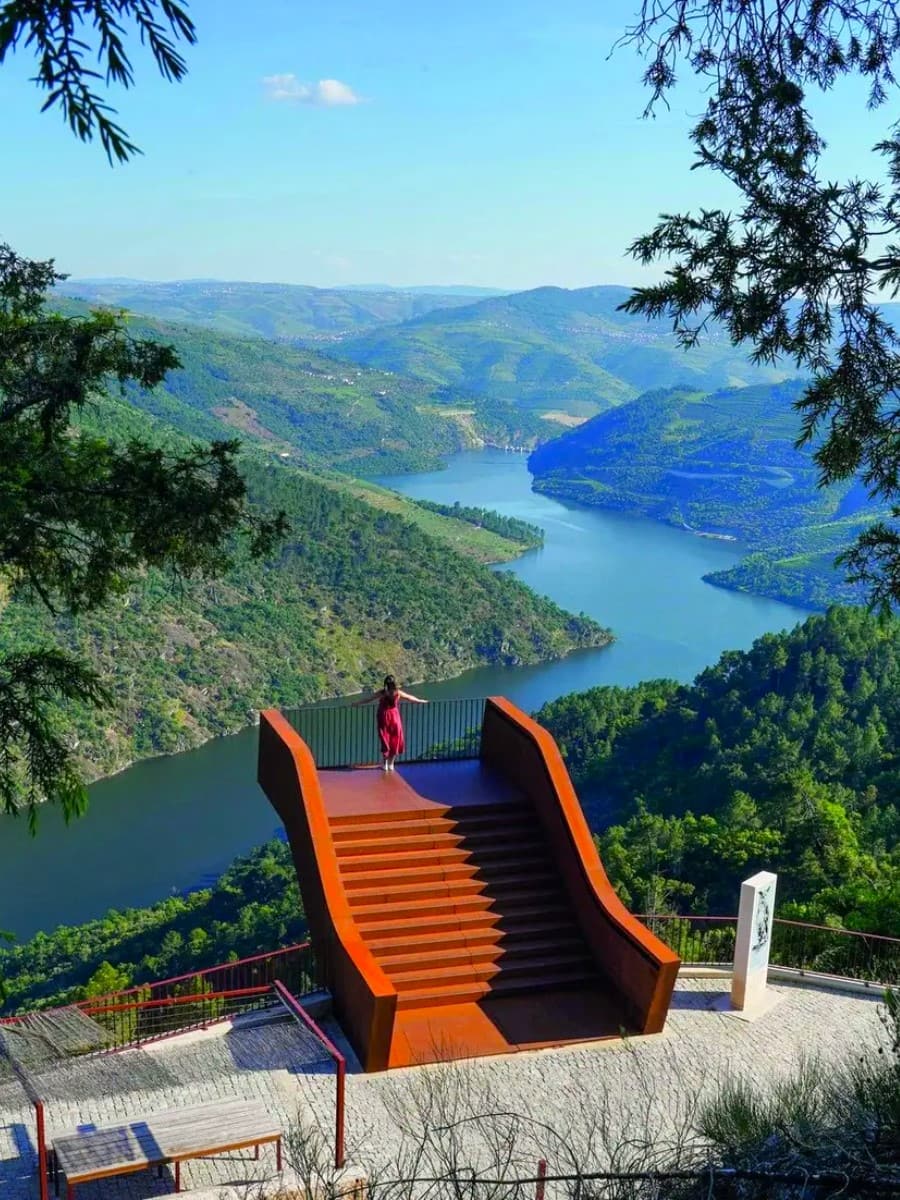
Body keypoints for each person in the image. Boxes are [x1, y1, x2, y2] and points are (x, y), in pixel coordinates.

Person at [352, 675, 427, 770]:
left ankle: (385, 764)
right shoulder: (397, 692)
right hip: (394, 716)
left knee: (385, 738)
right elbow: (409, 698)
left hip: (383, 716)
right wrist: (421, 701)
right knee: (396, 738)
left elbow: (368, 699)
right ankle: (392, 764)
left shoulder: (382, 693)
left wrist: (356, 703)